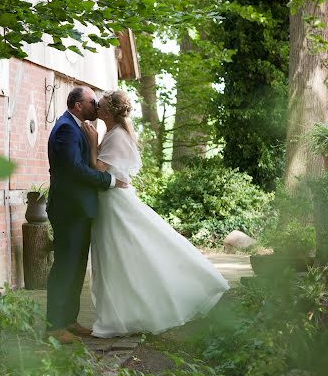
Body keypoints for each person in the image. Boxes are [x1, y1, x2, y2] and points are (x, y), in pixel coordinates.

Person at [81, 90, 230, 338]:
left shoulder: (116, 135)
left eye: (100, 104)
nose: (96, 107)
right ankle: (122, 314)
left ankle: (178, 292)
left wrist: (91, 142)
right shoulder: (113, 132)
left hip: (114, 205)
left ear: (108, 112)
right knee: (116, 257)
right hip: (110, 201)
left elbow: (97, 167)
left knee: (122, 254)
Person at [46, 86, 126, 344]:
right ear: (78, 105)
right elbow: (74, 170)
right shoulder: (67, 128)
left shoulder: (77, 126)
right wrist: (110, 181)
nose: (96, 105)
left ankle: (69, 320)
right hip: (69, 210)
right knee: (64, 268)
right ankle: (53, 327)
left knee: (77, 268)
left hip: (80, 210)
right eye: (92, 102)